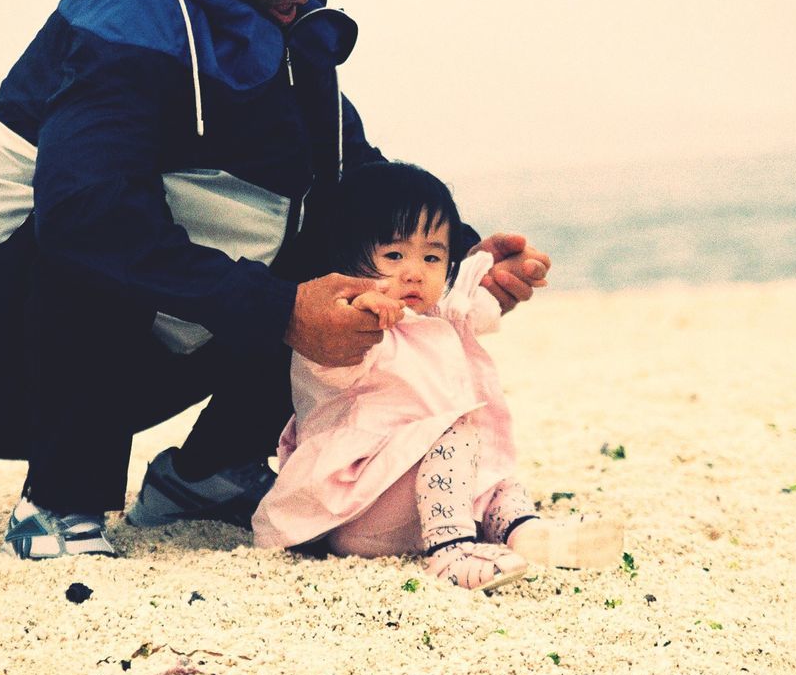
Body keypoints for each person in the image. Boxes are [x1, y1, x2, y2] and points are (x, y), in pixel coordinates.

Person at [0, 0, 551, 560]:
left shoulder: (285, 9)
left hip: (138, 348)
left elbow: (352, 174)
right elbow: (83, 214)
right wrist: (283, 312)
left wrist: (463, 258)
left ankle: (207, 471)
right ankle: (57, 499)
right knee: (96, 221)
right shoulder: (129, 9)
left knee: (341, 238)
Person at [253, 162, 623, 590]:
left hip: (419, 501)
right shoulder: (344, 332)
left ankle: (528, 534)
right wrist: (364, 318)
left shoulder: (435, 318)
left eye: (432, 257)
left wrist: (511, 273)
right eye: (393, 255)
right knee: (456, 432)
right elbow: (331, 371)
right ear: (346, 258)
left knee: (497, 476)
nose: (414, 271)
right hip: (356, 503)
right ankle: (450, 554)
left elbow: (475, 304)